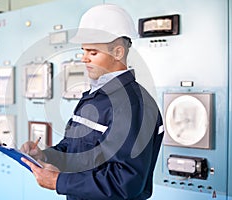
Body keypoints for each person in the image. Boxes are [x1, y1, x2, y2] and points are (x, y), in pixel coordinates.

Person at [21, 4, 164, 200]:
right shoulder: (94, 97)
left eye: (93, 52)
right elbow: (74, 150)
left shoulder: (134, 105)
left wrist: (58, 182)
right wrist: (44, 156)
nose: (84, 59)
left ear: (118, 53)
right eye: (83, 51)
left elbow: (125, 182)